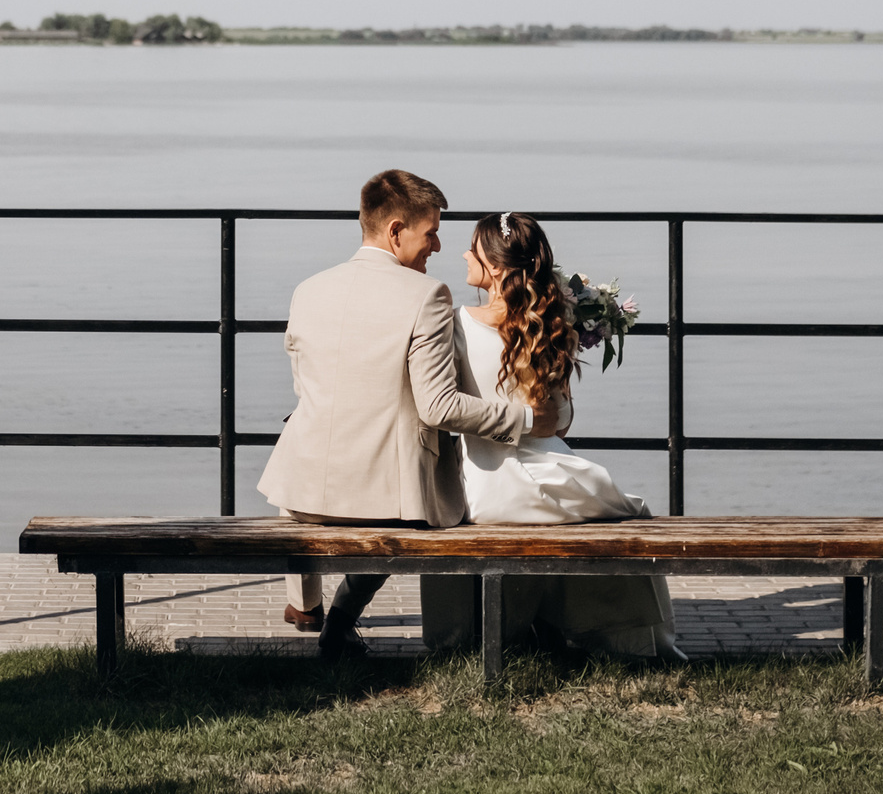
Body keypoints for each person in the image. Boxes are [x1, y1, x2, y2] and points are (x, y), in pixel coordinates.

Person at [257, 169, 555, 656]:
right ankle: (339, 622)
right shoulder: (427, 296)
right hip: (380, 498)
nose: (437, 245)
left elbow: (305, 389)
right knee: (405, 506)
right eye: (431, 232)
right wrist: (525, 421)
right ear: (396, 230)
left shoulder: (307, 290)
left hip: (300, 489)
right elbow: (439, 407)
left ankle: (304, 601)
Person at [418, 211, 684, 659]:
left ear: (497, 267)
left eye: (473, 248)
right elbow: (560, 422)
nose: (463, 254)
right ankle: (626, 636)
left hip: (480, 483)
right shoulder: (549, 324)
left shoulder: (456, 323)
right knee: (626, 507)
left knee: (601, 505)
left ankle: (523, 628)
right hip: (541, 471)